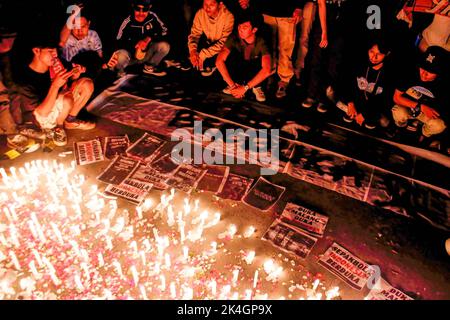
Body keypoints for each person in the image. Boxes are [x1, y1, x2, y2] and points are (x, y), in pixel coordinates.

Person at [11, 33, 95, 147]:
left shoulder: (54, 64)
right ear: (36, 51)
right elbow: (40, 113)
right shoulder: (24, 80)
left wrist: (75, 75)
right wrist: (55, 86)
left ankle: (70, 120)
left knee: (86, 84)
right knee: (66, 100)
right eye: (50, 51)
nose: (55, 54)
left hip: (60, 104)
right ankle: (58, 127)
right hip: (43, 118)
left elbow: (66, 82)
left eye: (55, 50)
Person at [391, 46, 448, 148]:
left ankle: (424, 135)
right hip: (409, 107)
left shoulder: (443, 85)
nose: (424, 74)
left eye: (430, 71)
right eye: (423, 68)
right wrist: (419, 106)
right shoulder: (411, 72)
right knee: (398, 112)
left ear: (439, 72)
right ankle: (400, 129)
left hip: (428, 114)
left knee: (439, 125)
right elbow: (396, 97)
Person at [301, 0, 350, 112]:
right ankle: (311, 94)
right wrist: (324, 32)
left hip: (341, 22)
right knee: (317, 60)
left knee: (334, 63)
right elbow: (321, 4)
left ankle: (324, 98)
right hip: (325, 21)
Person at [336, 38, 394, 130]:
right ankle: (353, 113)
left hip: (374, 108)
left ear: (387, 54)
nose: (374, 57)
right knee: (334, 96)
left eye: (379, 54)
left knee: (384, 122)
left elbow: (384, 100)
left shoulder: (389, 73)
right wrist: (350, 103)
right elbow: (347, 83)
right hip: (356, 103)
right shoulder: (360, 64)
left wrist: (364, 115)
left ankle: (368, 119)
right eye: (371, 52)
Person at [105, 0, 170, 77]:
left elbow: (165, 31)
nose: (141, 13)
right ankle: (120, 73)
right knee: (119, 56)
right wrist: (135, 44)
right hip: (129, 58)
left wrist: (148, 38)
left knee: (165, 46)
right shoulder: (126, 20)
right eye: (137, 9)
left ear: (150, 7)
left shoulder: (153, 16)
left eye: (145, 9)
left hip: (146, 55)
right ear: (133, 6)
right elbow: (116, 41)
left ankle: (149, 67)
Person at [216, 13, 272, 102]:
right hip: (241, 68)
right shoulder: (234, 37)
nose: (240, 30)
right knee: (231, 56)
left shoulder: (262, 41)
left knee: (260, 62)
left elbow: (267, 69)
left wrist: (245, 88)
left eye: (245, 27)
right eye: (239, 27)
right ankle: (236, 84)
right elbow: (219, 61)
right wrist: (232, 86)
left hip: (254, 68)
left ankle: (256, 86)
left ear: (254, 30)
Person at [259, 0, 305, 98]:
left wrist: (299, 6)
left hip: (287, 11)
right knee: (268, 46)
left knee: (286, 49)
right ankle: (269, 73)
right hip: (266, 10)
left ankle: (284, 78)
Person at [187, 0, 235, 77]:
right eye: (205, 4)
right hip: (208, 43)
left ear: (220, 4)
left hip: (222, 47)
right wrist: (193, 51)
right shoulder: (200, 13)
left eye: (212, 4)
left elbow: (224, 42)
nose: (207, 8)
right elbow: (195, 34)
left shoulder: (228, 16)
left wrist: (203, 54)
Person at [294, 0, 327, 87]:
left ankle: (298, 70)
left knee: (304, 37)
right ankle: (290, 71)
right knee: (290, 37)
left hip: (309, 3)